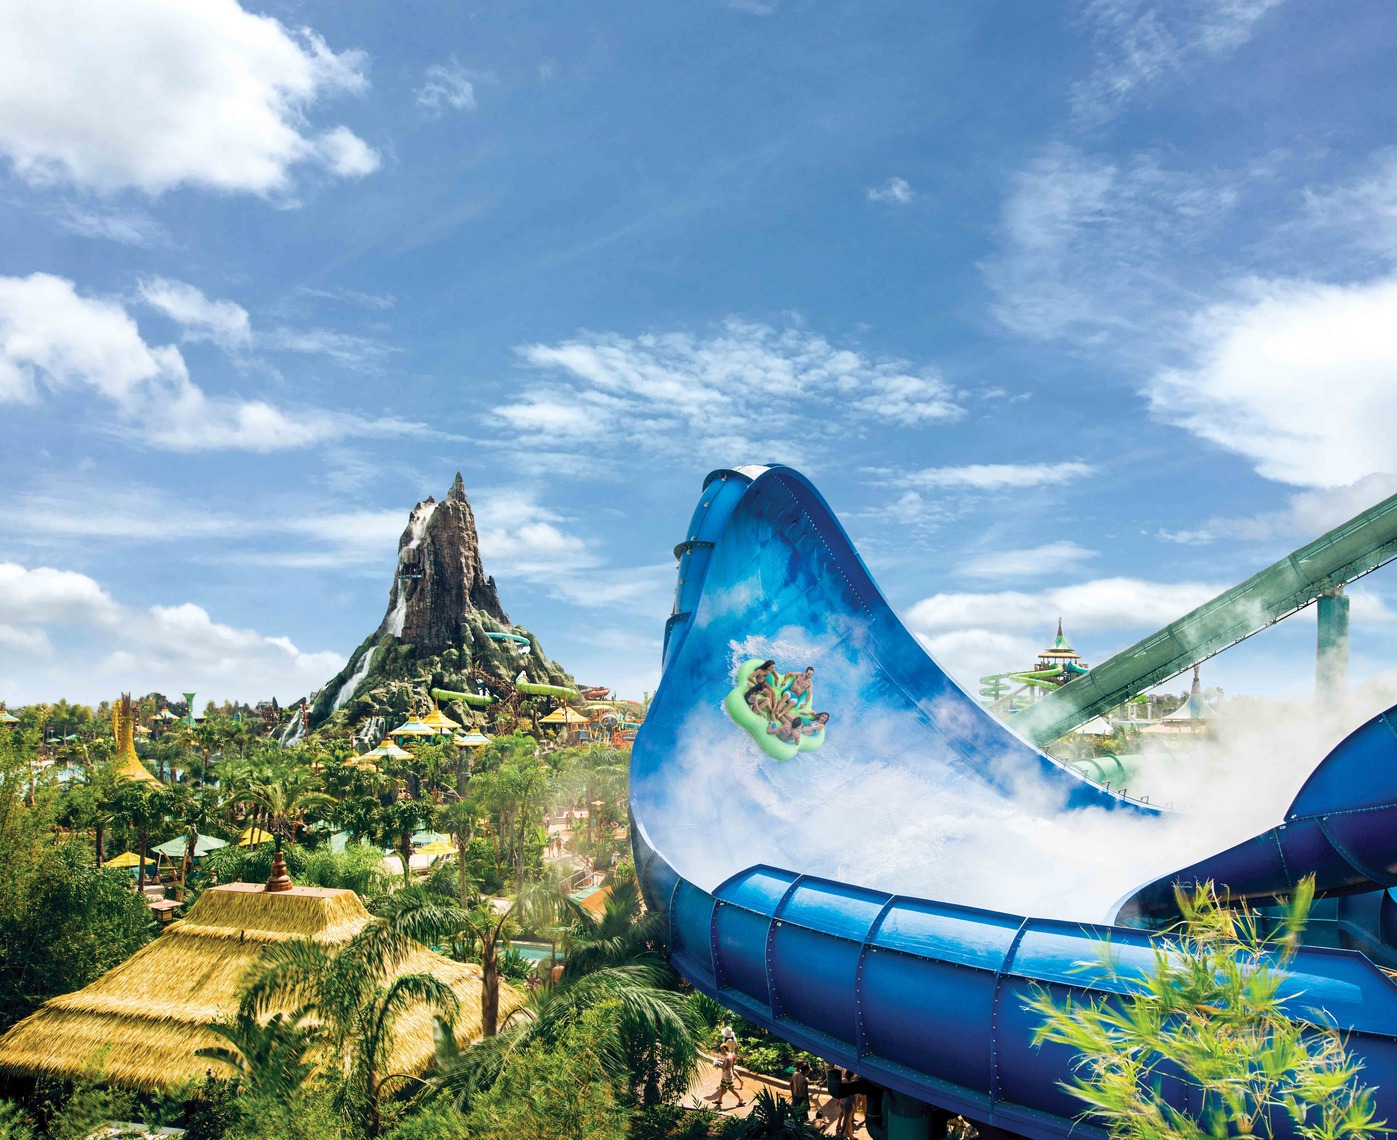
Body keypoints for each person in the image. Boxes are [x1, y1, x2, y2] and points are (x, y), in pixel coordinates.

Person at [712, 1041, 744, 1110]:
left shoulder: (728, 1058)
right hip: (725, 1075)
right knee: (722, 1086)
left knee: (731, 1089)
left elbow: (726, 1067)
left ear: (724, 1049)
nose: (721, 1052)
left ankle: (740, 1099)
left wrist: (718, 1065)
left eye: (722, 1050)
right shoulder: (729, 1056)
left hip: (727, 1076)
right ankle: (720, 1099)